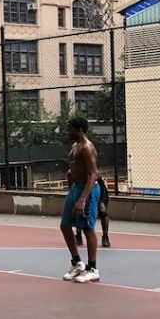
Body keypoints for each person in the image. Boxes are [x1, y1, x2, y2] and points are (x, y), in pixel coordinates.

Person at [61, 116, 102, 284]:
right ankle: (77, 262)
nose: (67, 131)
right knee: (65, 225)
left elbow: (93, 174)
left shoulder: (87, 147)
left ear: (79, 129)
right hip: (76, 188)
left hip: (88, 189)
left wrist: (83, 199)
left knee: (87, 229)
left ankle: (92, 269)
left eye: (69, 128)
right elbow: (74, 167)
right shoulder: (75, 146)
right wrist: (70, 176)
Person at [76, 178, 111, 248]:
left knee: (103, 212)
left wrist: (101, 201)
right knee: (78, 210)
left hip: (97, 187)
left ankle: (105, 237)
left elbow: (96, 175)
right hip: (83, 187)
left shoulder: (94, 172)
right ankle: (78, 235)